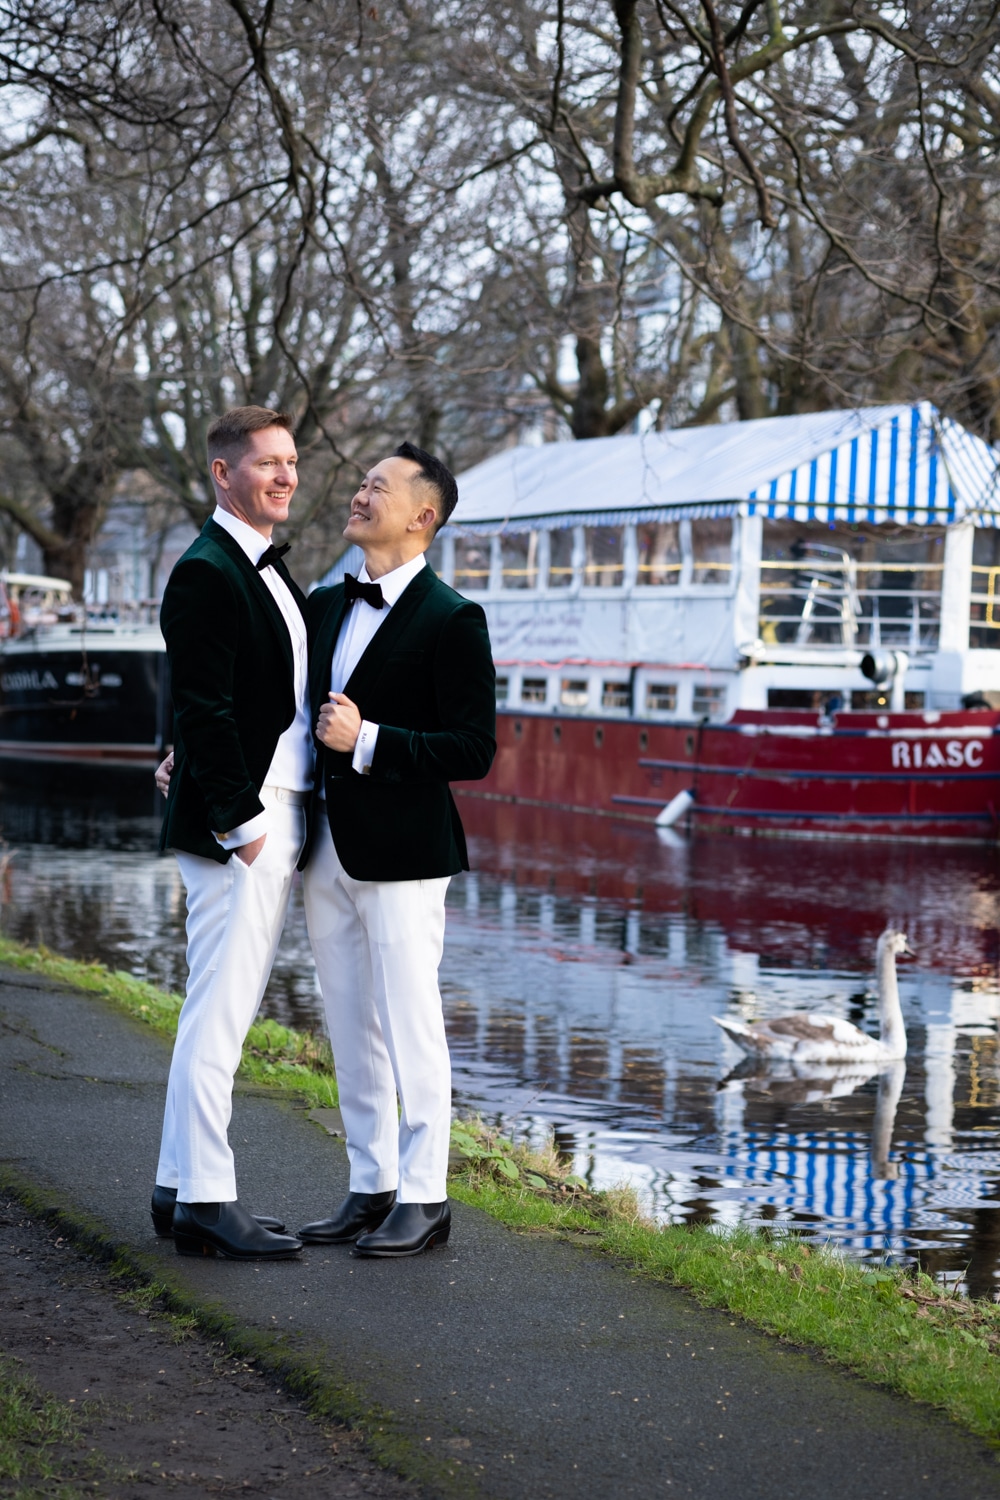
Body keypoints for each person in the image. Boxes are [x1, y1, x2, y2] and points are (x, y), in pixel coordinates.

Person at [297, 442, 495, 1257]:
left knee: (410, 1022)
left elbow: (472, 749)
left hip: (406, 854)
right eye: (361, 482)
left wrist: (369, 739)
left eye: (377, 486)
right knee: (349, 1022)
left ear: (423, 516)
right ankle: (371, 1183)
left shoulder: (453, 618)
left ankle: (426, 1195)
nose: (359, 493)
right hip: (326, 849)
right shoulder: (324, 604)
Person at [152, 405, 310, 1260]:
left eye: (290, 461)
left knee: (212, 1011)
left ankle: (178, 1186)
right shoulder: (209, 569)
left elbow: (212, 697)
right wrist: (241, 825)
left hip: (263, 806)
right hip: (242, 822)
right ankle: (210, 1201)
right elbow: (204, 705)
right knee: (220, 1017)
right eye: (266, 464)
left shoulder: (259, 568)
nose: (285, 476)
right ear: (223, 473)